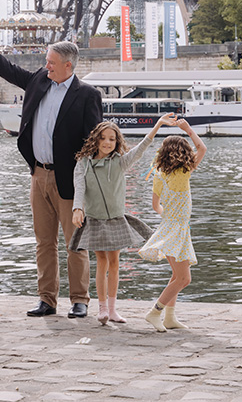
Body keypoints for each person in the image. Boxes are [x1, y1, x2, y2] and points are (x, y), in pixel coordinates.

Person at [0, 27, 102, 319]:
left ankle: (79, 299)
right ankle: (47, 299)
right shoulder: (39, 80)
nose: (45, 65)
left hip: (71, 179)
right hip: (38, 175)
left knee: (75, 241)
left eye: (51, 62)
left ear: (68, 66)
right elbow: (7, 69)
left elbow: (94, 141)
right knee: (43, 242)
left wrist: (89, 185)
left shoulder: (87, 95)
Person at [70, 113, 179, 325]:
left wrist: (157, 125)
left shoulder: (120, 162)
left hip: (116, 219)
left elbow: (141, 149)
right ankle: (101, 308)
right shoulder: (84, 163)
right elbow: (79, 186)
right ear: (96, 139)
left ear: (117, 142)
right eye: (103, 138)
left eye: (112, 139)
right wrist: (77, 208)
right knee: (101, 262)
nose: (108, 143)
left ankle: (112, 310)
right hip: (96, 219)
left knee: (115, 262)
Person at [139, 117, 206, 332]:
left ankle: (169, 317)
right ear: (184, 153)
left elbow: (155, 205)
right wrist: (187, 128)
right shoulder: (184, 171)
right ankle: (155, 312)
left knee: (176, 276)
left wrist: (168, 214)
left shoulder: (159, 175)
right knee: (184, 279)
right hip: (177, 228)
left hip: (170, 226)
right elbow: (201, 147)